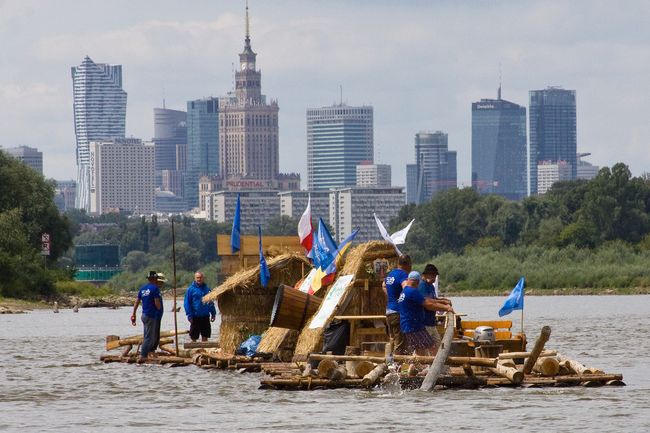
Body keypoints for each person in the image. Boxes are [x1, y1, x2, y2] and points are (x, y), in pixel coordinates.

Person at [398, 271, 454, 356]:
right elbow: (429, 305)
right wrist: (447, 308)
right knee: (432, 347)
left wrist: (442, 302)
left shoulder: (405, 291)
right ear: (417, 281)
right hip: (415, 327)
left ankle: (413, 368)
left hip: (407, 326)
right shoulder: (412, 291)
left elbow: (426, 300)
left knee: (419, 350)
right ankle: (434, 367)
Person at [131, 271, 163, 362]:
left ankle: (146, 353)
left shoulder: (143, 288)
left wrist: (133, 314)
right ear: (155, 279)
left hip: (144, 315)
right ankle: (143, 355)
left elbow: (137, 301)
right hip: (151, 315)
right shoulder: (155, 288)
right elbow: (157, 302)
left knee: (146, 335)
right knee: (149, 337)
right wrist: (159, 308)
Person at [418, 264, 453, 348]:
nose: (434, 278)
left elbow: (433, 299)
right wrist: (445, 307)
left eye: (435, 276)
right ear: (426, 275)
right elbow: (428, 304)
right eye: (433, 276)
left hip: (431, 323)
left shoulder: (431, 286)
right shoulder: (422, 286)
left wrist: (443, 301)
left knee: (439, 347)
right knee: (425, 348)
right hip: (424, 324)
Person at [383, 255, 411, 355]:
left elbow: (383, 286)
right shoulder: (403, 274)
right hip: (398, 312)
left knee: (393, 339)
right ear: (407, 264)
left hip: (389, 311)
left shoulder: (391, 274)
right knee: (401, 343)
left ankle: (390, 363)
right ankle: (397, 366)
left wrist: (391, 297)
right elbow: (406, 287)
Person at [183, 271, 217, 342]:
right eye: (197, 278)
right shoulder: (190, 290)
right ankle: (194, 351)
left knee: (205, 336)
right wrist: (189, 315)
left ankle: (204, 351)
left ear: (203, 278)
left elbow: (210, 302)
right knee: (194, 336)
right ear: (195, 278)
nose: (199, 279)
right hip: (195, 316)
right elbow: (187, 303)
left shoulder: (207, 289)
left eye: (200, 278)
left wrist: (213, 313)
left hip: (205, 316)